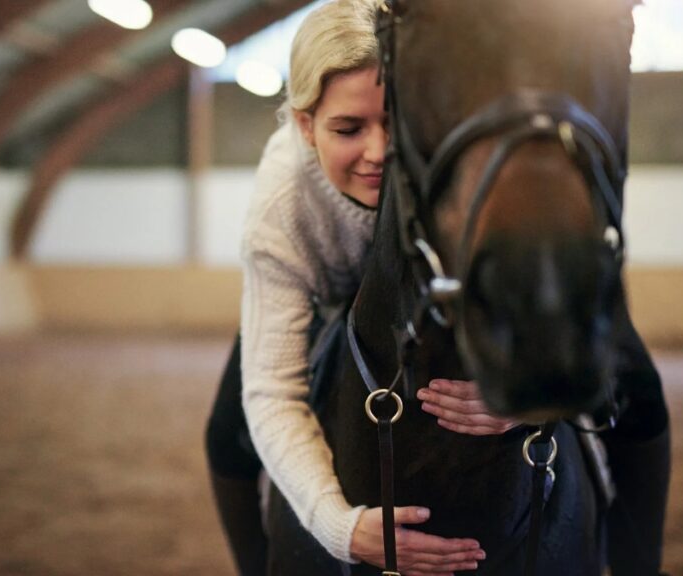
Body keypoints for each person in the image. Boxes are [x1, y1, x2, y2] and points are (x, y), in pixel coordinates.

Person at [204, 1, 515, 574]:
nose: (379, 153)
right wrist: (337, 527)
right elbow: (273, 395)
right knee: (226, 435)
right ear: (305, 125)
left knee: (635, 387)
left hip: (430, 299)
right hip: (322, 300)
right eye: (348, 129)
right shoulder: (280, 208)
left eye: (396, 122)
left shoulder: (459, 160)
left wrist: (527, 395)